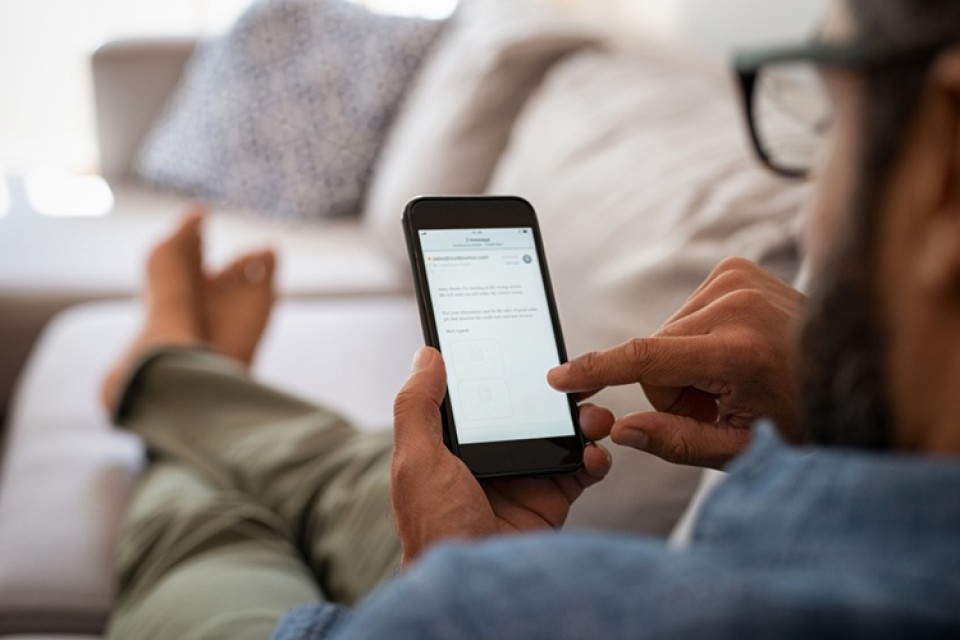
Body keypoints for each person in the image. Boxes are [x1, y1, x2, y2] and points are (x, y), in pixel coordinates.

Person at [103, 0, 960, 637]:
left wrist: (453, 585)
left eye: (826, 127)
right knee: (354, 470)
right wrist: (839, 421)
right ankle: (190, 378)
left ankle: (168, 367)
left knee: (210, 528)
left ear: (946, 174)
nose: (812, 209)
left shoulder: (485, 608)